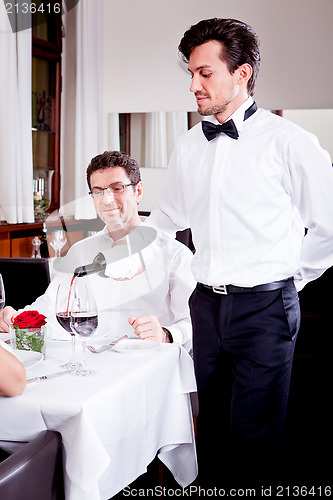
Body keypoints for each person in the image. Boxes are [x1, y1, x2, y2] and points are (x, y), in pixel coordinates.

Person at [146, 18, 333, 487]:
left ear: (242, 74)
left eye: (205, 73)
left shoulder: (290, 142)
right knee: (209, 432)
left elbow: (329, 227)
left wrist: (291, 281)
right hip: (205, 306)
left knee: (253, 442)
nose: (194, 85)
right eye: (191, 73)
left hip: (266, 307)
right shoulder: (190, 144)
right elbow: (164, 222)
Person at [0, 151, 195, 350]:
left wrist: (166, 334)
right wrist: (16, 317)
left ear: (138, 191)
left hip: (147, 364)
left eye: (117, 188)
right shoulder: (81, 251)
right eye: (98, 191)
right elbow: (49, 307)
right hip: (91, 363)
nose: (107, 200)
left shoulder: (176, 256)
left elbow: (195, 324)